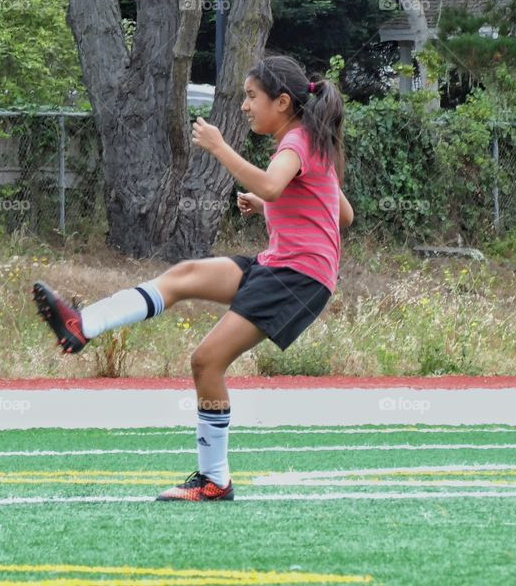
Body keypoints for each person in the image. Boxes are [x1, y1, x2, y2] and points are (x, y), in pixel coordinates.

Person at [33, 54, 354, 501]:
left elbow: (271, 185)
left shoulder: (297, 142)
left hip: (296, 279)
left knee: (206, 362)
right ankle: (81, 325)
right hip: (279, 266)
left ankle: (214, 481)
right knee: (182, 276)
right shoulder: (311, 141)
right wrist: (272, 207)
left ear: (282, 102)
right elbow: (342, 213)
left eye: (251, 97)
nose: (244, 106)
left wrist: (222, 149)